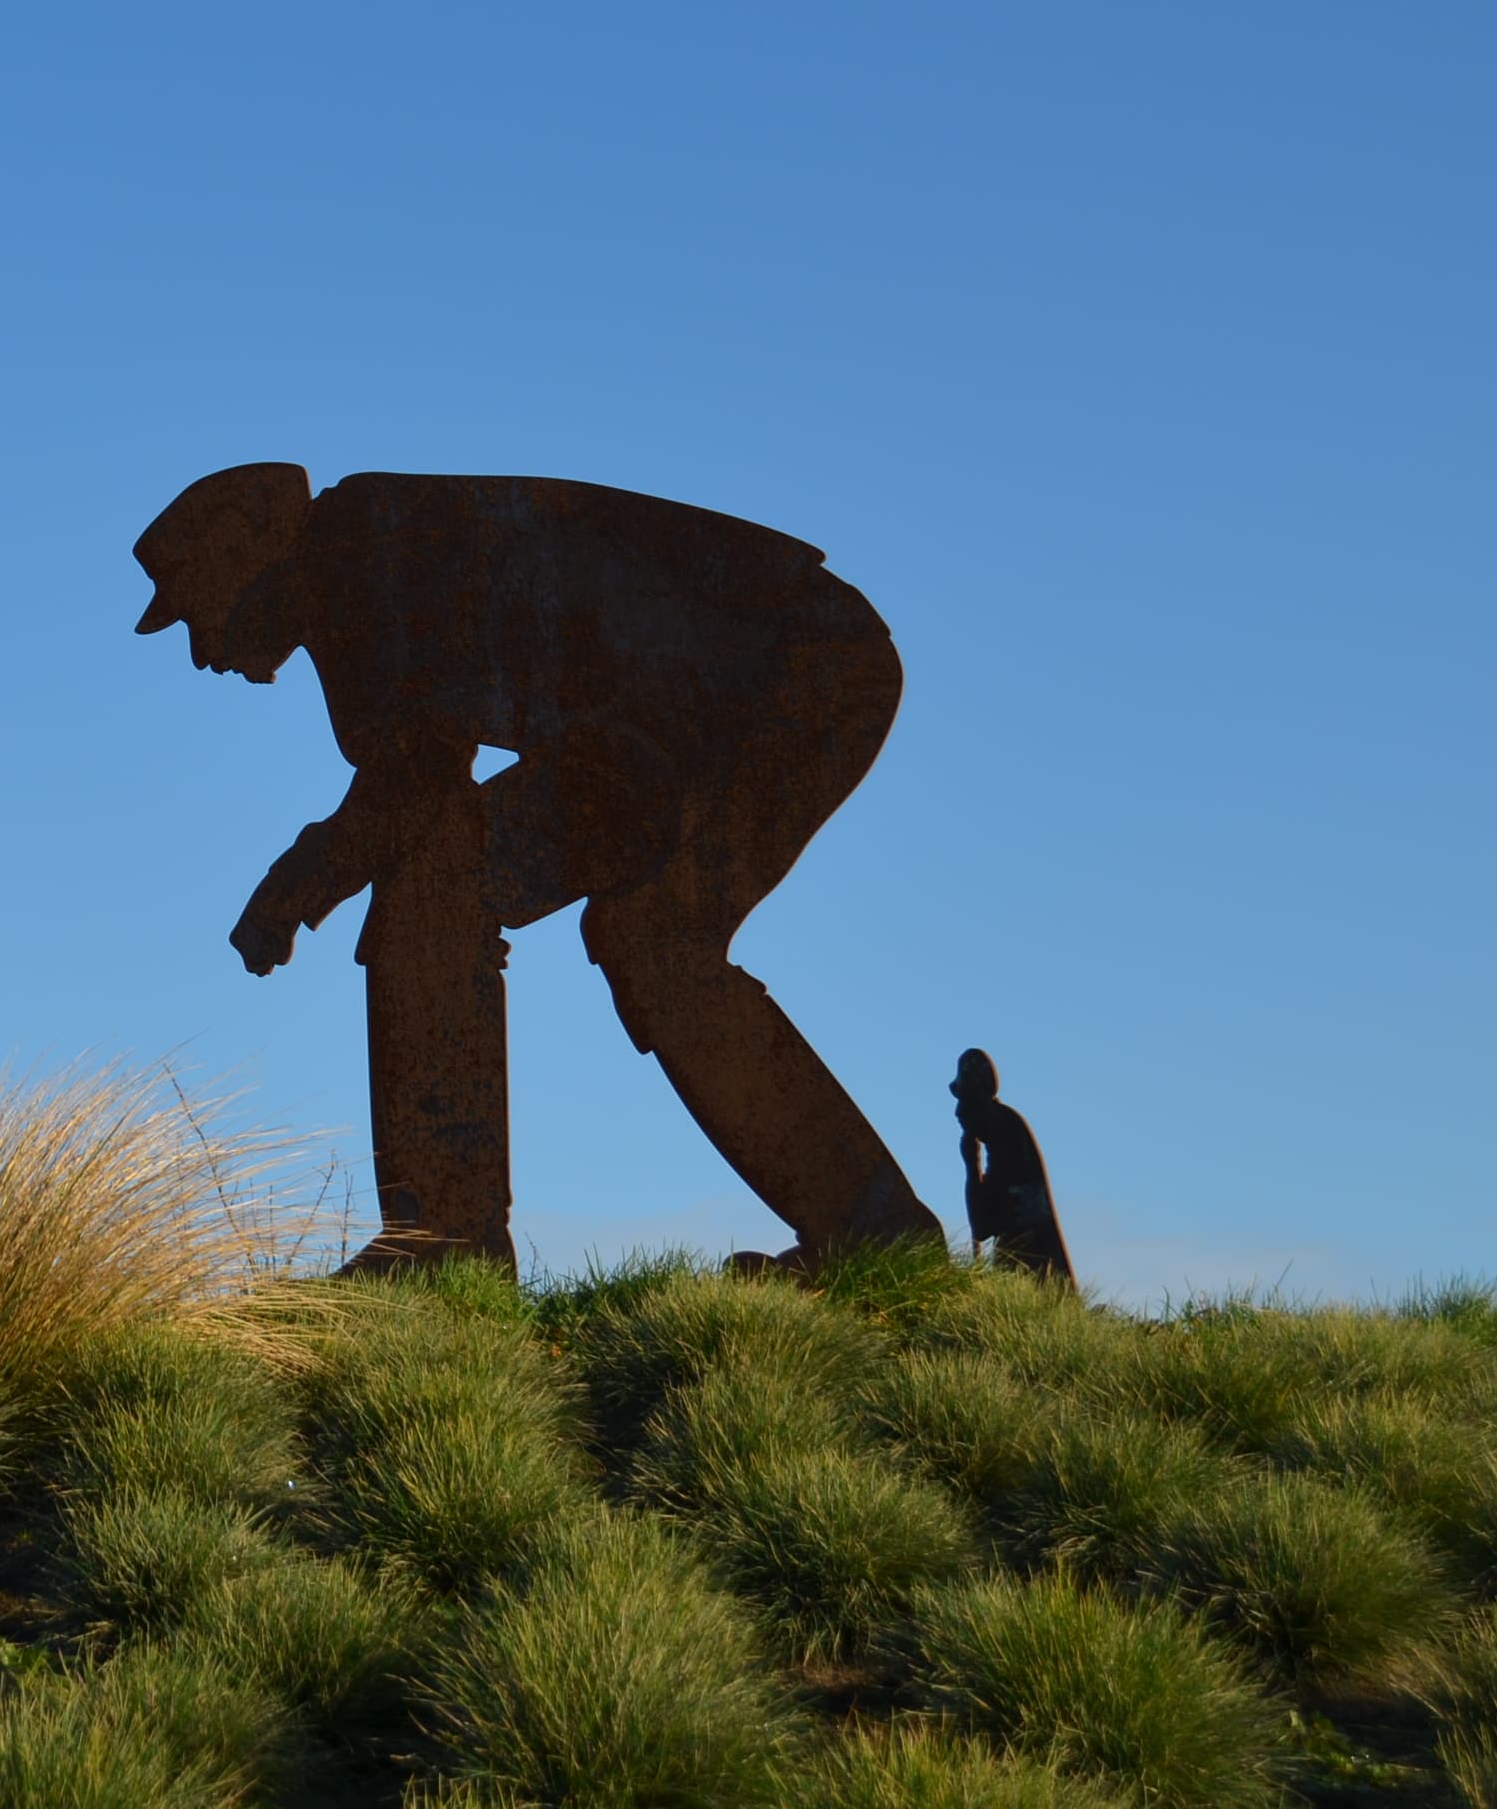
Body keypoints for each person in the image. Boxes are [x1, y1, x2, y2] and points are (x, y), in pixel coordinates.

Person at [134, 464, 941, 1269]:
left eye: (197, 611)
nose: (204, 649)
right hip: (717, 693)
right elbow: (416, 771)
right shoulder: (359, 554)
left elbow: (415, 778)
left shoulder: (364, 547)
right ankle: (876, 1237)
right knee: (638, 934)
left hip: (785, 670)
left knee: (456, 886)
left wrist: (292, 888)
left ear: (245, 549)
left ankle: (447, 1243)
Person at [951, 1048, 1073, 1280]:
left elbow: (982, 1227)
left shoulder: (1006, 1131)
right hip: (1022, 1233)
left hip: (1027, 1241)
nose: (959, 1114)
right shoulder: (1005, 1127)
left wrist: (971, 1164)